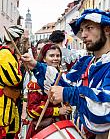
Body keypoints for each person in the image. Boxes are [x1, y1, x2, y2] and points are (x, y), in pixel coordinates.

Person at [21, 9, 110, 139]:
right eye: (82, 30)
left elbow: (106, 105)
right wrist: (36, 65)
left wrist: (68, 93)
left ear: (107, 30)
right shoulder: (86, 63)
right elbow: (64, 82)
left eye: (89, 28)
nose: (83, 35)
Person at [26, 43, 72, 138]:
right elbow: (32, 111)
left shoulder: (62, 77)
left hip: (62, 124)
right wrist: (57, 111)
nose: (55, 58)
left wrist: (67, 107)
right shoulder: (36, 81)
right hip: (43, 129)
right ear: (44, 59)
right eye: (51, 56)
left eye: (58, 56)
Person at [0, 25, 24, 139]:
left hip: (11, 100)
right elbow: (13, 80)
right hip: (4, 100)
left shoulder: (10, 54)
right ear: (17, 40)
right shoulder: (4, 54)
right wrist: (21, 74)